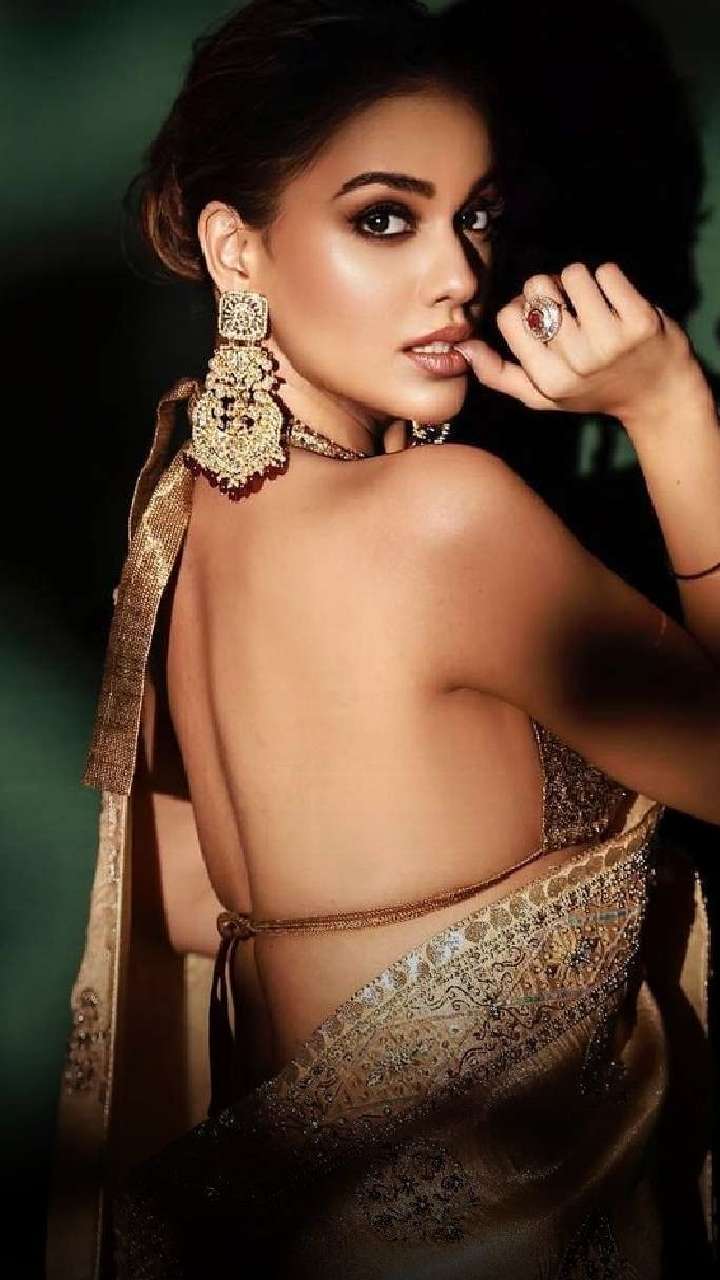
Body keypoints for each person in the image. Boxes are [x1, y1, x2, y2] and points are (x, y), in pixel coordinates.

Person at [46, 1, 719, 1276]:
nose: (460, 273)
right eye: (384, 219)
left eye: (477, 216)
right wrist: (672, 408)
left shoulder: (179, 512)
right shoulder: (443, 519)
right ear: (237, 250)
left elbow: (186, 898)